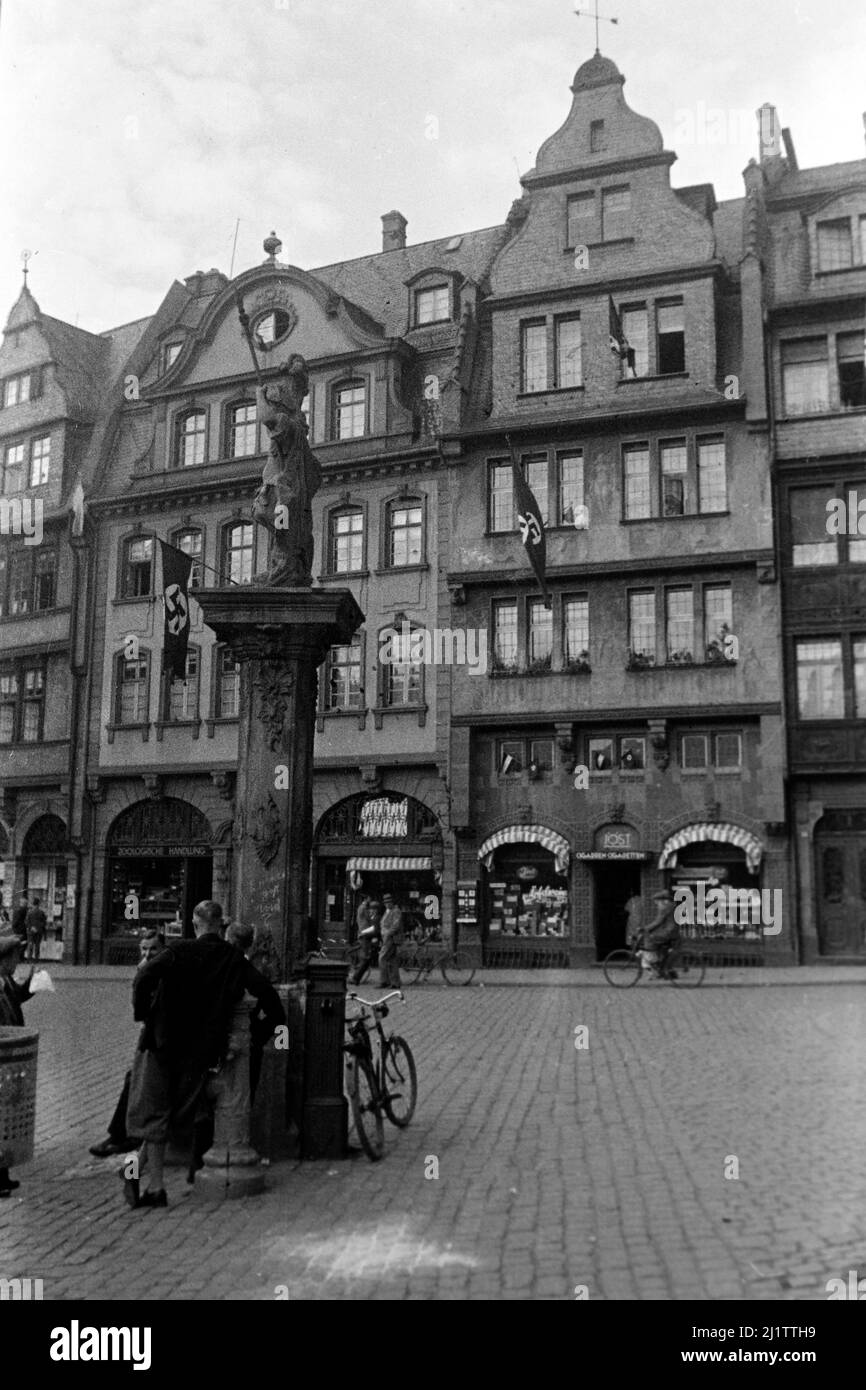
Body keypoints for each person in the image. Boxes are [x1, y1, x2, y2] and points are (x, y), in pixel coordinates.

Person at [122, 900, 278, 1210]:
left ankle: (152, 1184)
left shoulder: (179, 951)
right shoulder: (233, 958)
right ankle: (138, 1176)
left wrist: (143, 1013)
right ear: (221, 925)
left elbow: (143, 977)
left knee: (154, 1113)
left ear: (195, 924)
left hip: (161, 1042)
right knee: (174, 1112)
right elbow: (269, 996)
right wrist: (264, 1035)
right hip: (199, 1054)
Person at [88, 931, 166, 1159]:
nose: (148, 953)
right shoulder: (146, 971)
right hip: (154, 1040)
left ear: (162, 949)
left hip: (162, 1044)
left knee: (135, 1079)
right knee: (133, 1078)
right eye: (144, 949)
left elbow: (142, 1011)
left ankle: (125, 1136)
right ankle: (122, 1135)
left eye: (153, 948)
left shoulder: (162, 973)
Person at [224, 922, 286, 1103]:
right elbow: (279, 1017)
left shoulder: (220, 971)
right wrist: (256, 1035)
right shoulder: (255, 977)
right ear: (250, 945)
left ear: (228, 940)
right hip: (248, 1048)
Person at [0, 928, 35, 1197]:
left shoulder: (6, 982)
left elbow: (17, 996)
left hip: (8, 1059)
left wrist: (31, 986)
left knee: (5, 1118)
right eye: (15, 958)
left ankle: (3, 1174)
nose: (17, 963)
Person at [641, 889, 681, 978]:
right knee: (657, 940)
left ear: (661, 900)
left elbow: (658, 921)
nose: (656, 903)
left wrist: (646, 929)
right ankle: (661, 965)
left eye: (656, 900)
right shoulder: (671, 905)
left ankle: (654, 962)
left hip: (669, 932)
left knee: (650, 939)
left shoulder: (664, 907)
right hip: (673, 931)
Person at [350, 899, 381, 986]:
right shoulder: (368, 913)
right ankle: (356, 977)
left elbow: (375, 929)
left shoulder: (375, 917)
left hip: (368, 937)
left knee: (366, 959)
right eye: (369, 909)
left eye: (371, 909)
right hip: (366, 937)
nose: (369, 911)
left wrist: (364, 934)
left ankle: (356, 977)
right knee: (366, 959)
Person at [378, 893, 404, 989]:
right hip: (387, 938)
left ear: (392, 902)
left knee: (382, 958)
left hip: (391, 938)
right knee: (392, 960)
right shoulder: (387, 911)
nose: (387, 904)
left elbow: (396, 925)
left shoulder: (396, 911)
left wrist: (388, 934)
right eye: (385, 902)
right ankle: (395, 983)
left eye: (389, 902)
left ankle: (384, 981)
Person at [24, 897, 47, 963]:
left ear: (32, 904)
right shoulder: (41, 912)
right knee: (37, 945)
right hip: (39, 931)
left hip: (31, 931)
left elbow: (26, 921)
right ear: (38, 904)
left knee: (30, 944)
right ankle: (36, 959)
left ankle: (29, 959)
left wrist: (31, 927)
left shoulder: (29, 912)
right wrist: (38, 928)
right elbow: (44, 922)